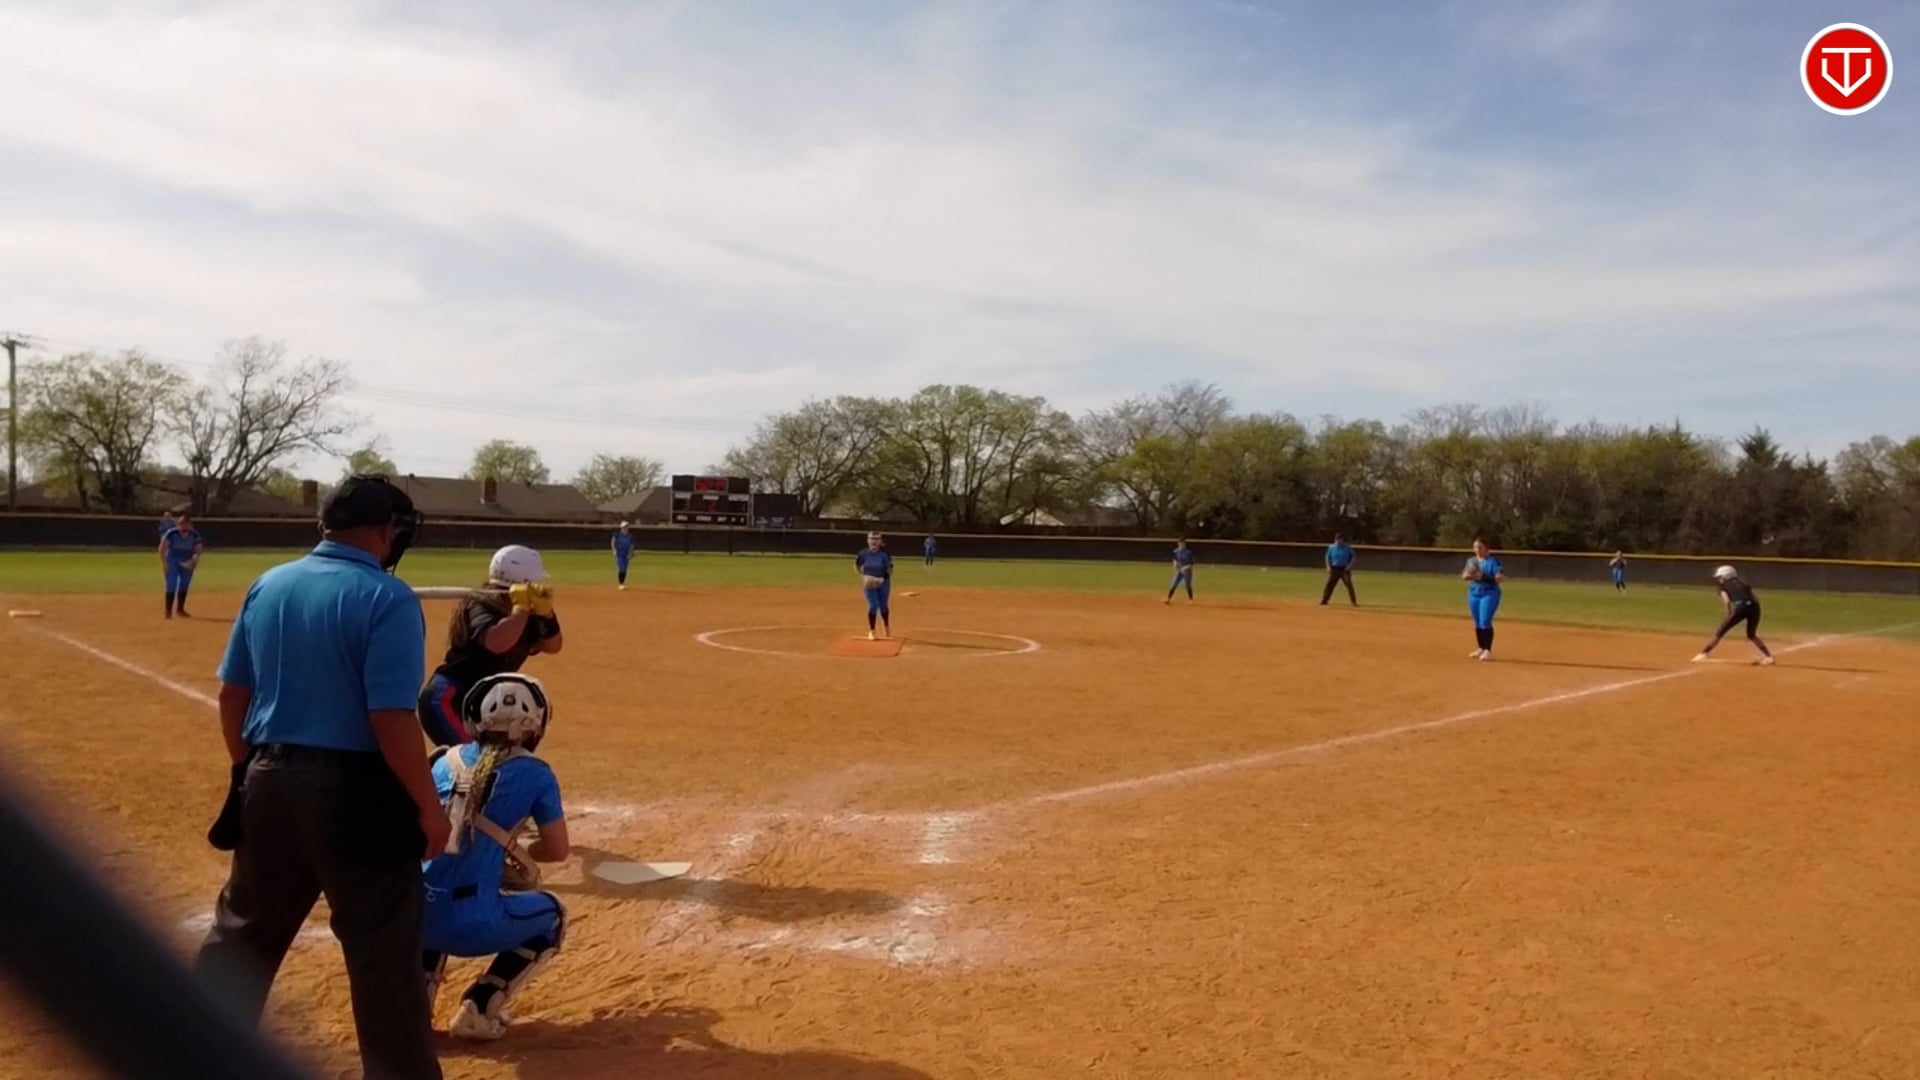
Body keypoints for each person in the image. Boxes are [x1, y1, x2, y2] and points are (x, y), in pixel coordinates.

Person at [192, 475, 448, 1080]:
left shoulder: (270, 583)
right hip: (355, 793)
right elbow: (390, 717)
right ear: (387, 531)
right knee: (383, 954)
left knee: (242, 937)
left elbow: (232, 695)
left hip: (268, 778)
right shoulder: (387, 597)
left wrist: (248, 770)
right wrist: (427, 805)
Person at [420, 672, 570, 1041]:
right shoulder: (535, 773)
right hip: (477, 925)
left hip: (413, 919)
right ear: (535, 724)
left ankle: (413, 1007)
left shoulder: (442, 761)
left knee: (433, 891)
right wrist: (515, 852)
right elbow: (557, 849)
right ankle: (480, 1006)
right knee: (554, 915)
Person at [417, 545, 562, 747]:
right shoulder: (481, 603)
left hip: (480, 705)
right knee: (473, 760)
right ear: (524, 581)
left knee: (491, 760)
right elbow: (497, 643)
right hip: (448, 699)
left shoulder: (527, 612)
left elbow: (552, 646)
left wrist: (547, 615)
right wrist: (520, 610)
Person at [1692, 565, 1774, 665]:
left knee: (1720, 631)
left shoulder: (1723, 586)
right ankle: (1769, 656)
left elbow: (1727, 601)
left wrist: (1729, 612)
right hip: (1755, 607)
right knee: (1751, 634)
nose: (1719, 579)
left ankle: (1703, 653)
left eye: (1720, 577)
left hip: (1740, 607)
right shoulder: (1743, 584)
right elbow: (1753, 598)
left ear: (1726, 576)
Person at [1462, 537, 1505, 660]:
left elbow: (1500, 577)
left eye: (1480, 547)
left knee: (1485, 621)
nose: (1477, 550)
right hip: (1474, 593)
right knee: (1477, 622)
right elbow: (1464, 575)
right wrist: (1471, 576)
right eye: (1475, 547)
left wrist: (1486, 577)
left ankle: (1488, 650)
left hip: (1489, 593)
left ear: (1487, 548)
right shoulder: (1471, 561)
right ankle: (1481, 648)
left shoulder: (1492, 561)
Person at [159, 511, 204, 618]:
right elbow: (162, 549)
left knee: (184, 584)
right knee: (171, 584)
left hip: (187, 561)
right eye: (181, 524)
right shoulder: (171, 533)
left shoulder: (194, 535)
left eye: (186, 524)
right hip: (172, 560)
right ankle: (168, 611)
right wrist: (165, 564)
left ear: (190, 525)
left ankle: (180, 610)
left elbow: (198, 551)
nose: (183, 527)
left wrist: (193, 561)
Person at [855, 532, 893, 640]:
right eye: (872, 539)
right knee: (873, 606)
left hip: (883, 582)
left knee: (883, 605)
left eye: (876, 539)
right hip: (869, 583)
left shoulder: (884, 554)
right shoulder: (863, 554)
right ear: (868, 540)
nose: (874, 541)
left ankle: (886, 626)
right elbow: (857, 565)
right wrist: (863, 576)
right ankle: (872, 631)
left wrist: (882, 579)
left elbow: (890, 569)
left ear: (880, 541)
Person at [1320, 532, 1357, 606]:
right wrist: (1328, 566)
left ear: (1342, 540)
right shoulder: (1331, 547)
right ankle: (1324, 600)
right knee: (1330, 585)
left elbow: (1354, 556)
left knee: (1349, 585)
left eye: (1340, 540)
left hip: (1344, 569)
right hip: (1335, 569)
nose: (1338, 542)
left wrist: (1349, 566)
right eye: (1336, 540)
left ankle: (1353, 601)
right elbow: (1327, 557)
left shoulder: (1347, 547)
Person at [1164, 539, 1195, 604]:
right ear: (1178, 544)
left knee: (1187, 585)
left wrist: (1184, 568)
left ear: (1185, 544)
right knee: (1174, 584)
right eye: (1180, 543)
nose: (1182, 545)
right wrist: (1175, 564)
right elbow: (1174, 560)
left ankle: (1191, 600)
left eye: (1183, 543)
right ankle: (1168, 599)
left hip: (1187, 571)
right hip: (1179, 571)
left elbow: (1191, 564)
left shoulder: (1188, 552)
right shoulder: (1175, 551)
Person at [612, 521, 635, 590]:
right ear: (621, 527)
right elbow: (613, 542)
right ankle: (620, 584)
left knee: (625, 569)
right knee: (621, 568)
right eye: (624, 527)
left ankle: (622, 583)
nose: (625, 528)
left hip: (626, 554)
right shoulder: (617, 534)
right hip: (619, 554)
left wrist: (631, 553)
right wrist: (614, 550)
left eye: (627, 527)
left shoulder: (630, 536)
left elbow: (631, 546)